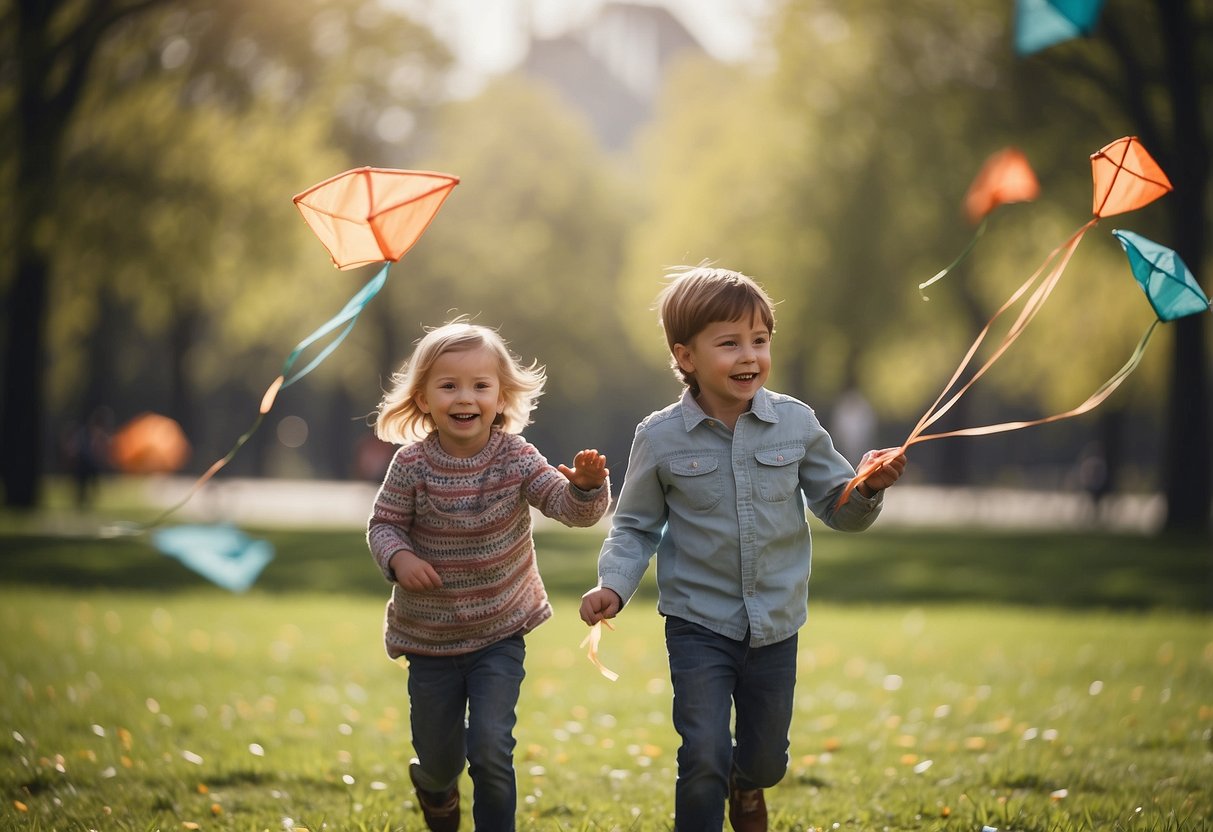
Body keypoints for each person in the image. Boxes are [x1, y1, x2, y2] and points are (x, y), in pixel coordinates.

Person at [578, 266, 906, 831]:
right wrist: (613, 584)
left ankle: (748, 783)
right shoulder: (659, 437)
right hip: (698, 622)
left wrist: (868, 487)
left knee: (765, 758)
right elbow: (634, 526)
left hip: (776, 622)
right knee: (702, 751)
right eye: (729, 343)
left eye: (760, 340)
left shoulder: (796, 424)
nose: (749, 355)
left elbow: (838, 506)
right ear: (686, 357)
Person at [367, 318, 610, 832]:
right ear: (424, 398)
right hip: (430, 638)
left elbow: (566, 507)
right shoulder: (411, 465)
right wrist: (400, 559)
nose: (466, 396)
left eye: (481, 385)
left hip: (499, 633)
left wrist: (586, 489)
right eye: (449, 384)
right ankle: (435, 787)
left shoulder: (518, 457)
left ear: (501, 397)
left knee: (492, 748)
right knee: (439, 757)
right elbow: (384, 524)